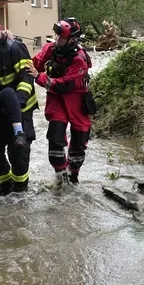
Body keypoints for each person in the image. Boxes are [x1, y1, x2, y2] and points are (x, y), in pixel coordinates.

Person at [0, 16, 38, 195]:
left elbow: (27, 79)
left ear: (0, 29)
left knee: (19, 152)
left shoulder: (15, 48)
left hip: (20, 108)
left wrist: (16, 105)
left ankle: (20, 190)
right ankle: (2, 185)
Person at [27, 18, 93, 185]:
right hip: (57, 100)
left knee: (79, 143)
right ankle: (60, 176)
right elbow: (34, 64)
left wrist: (38, 76)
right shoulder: (52, 49)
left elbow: (64, 85)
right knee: (55, 140)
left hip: (76, 99)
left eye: (61, 37)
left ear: (72, 39)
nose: (57, 40)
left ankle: (73, 175)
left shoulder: (80, 58)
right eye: (56, 36)